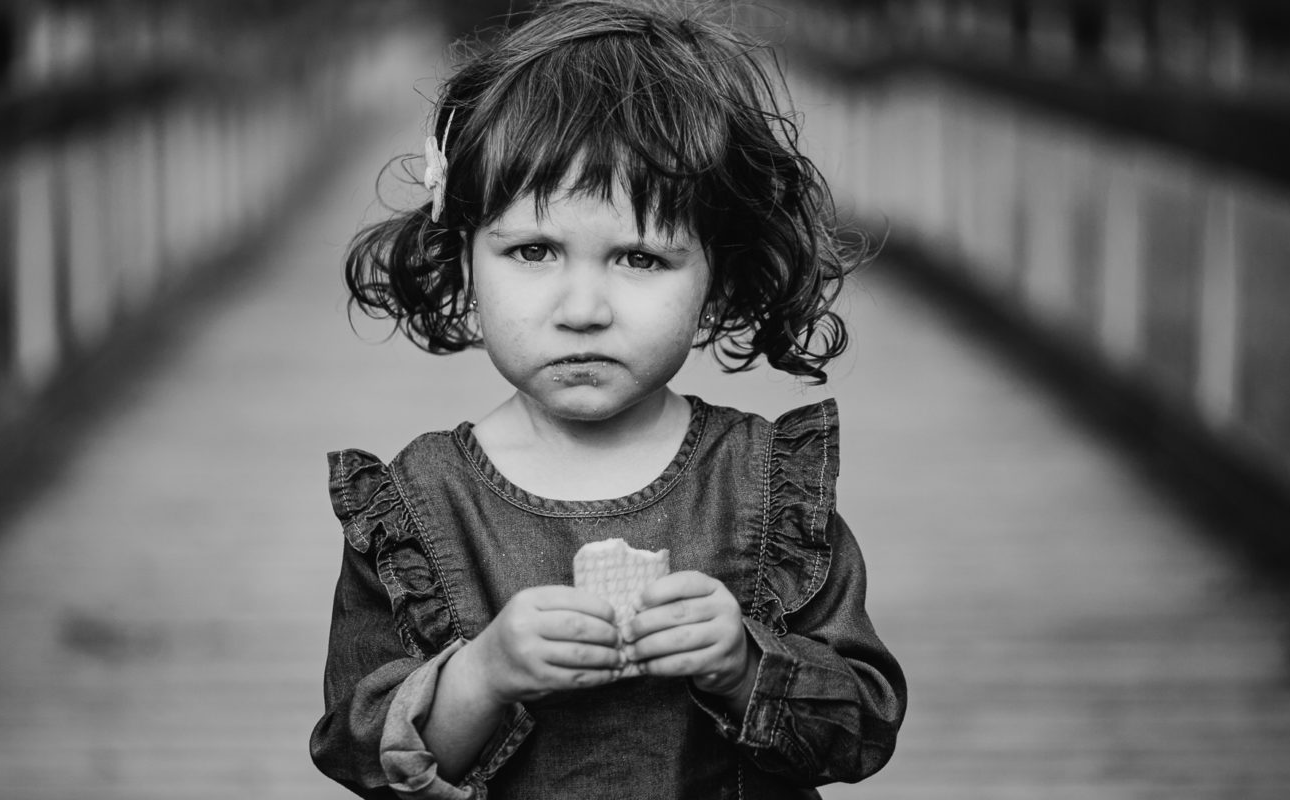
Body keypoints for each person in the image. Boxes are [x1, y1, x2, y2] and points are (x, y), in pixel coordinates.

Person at [309, 2, 907, 797]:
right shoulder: (417, 507)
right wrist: (481, 676)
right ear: (461, 262)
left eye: (639, 258)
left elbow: (861, 729)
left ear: (719, 279)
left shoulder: (768, 485)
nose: (583, 308)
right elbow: (360, 756)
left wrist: (742, 663)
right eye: (532, 250)